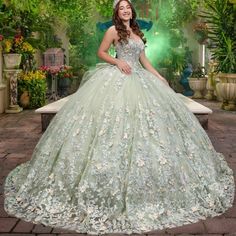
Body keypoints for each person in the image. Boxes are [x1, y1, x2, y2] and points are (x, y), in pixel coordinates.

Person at [4, 0, 235, 235]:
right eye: (121, 8)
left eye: (128, 7)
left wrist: (158, 77)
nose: (125, 10)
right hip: (117, 77)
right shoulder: (112, 30)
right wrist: (118, 61)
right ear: (117, 12)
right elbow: (101, 52)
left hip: (140, 78)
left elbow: (144, 61)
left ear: (131, 11)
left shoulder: (136, 31)